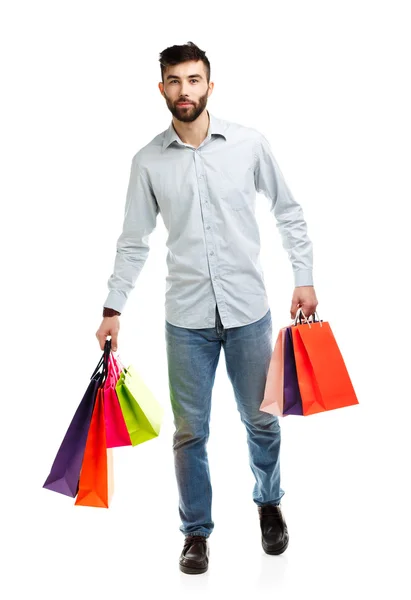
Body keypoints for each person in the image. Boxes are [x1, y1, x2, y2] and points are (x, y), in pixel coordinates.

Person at [96, 41, 318, 575]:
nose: (184, 90)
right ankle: (195, 533)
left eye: (194, 80)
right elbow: (133, 241)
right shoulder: (147, 161)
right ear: (162, 89)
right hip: (186, 320)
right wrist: (113, 307)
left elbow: (289, 211)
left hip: (248, 313)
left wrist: (304, 277)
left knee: (261, 421)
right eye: (175, 81)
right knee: (189, 432)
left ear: (209, 86)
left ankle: (269, 504)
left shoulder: (248, 144)